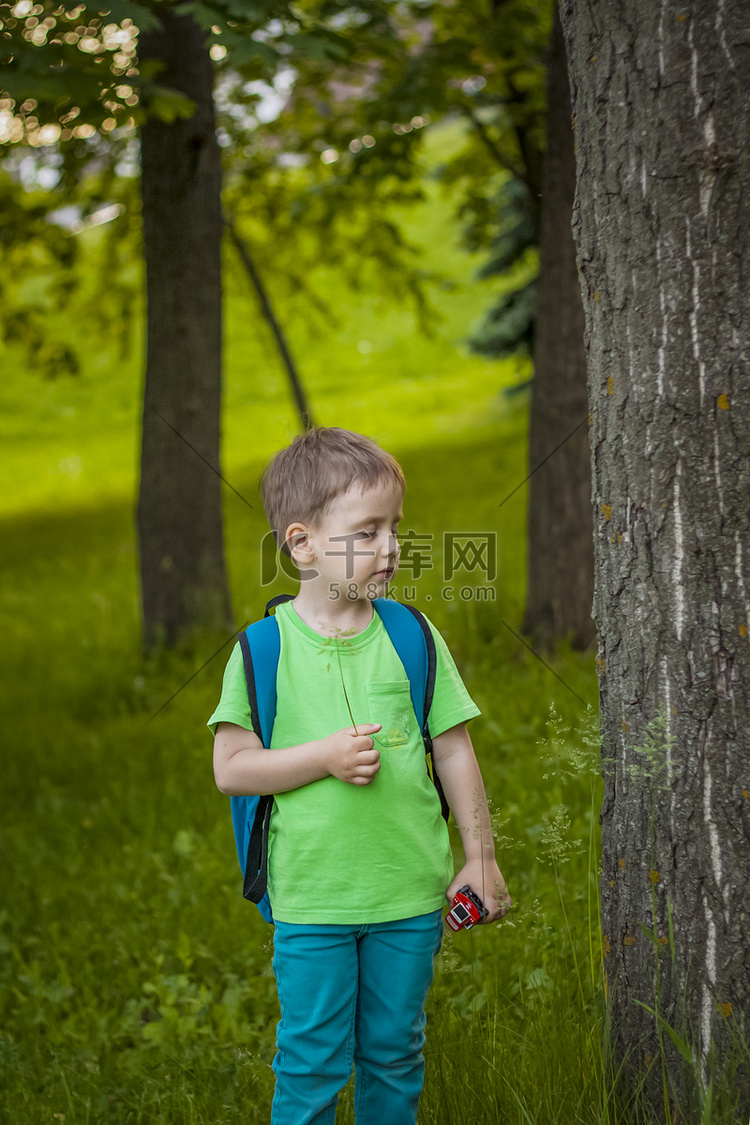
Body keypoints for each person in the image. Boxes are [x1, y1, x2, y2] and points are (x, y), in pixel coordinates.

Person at [208, 426, 511, 1125]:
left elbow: (455, 748)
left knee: (394, 1052)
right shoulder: (262, 648)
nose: (391, 547)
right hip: (314, 899)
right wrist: (323, 757)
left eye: (395, 528)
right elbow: (233, 768)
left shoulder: (411, 635)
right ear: (303, 542)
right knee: (312, 1060)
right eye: (367, 531)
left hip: (408, 892)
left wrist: (480, 856)